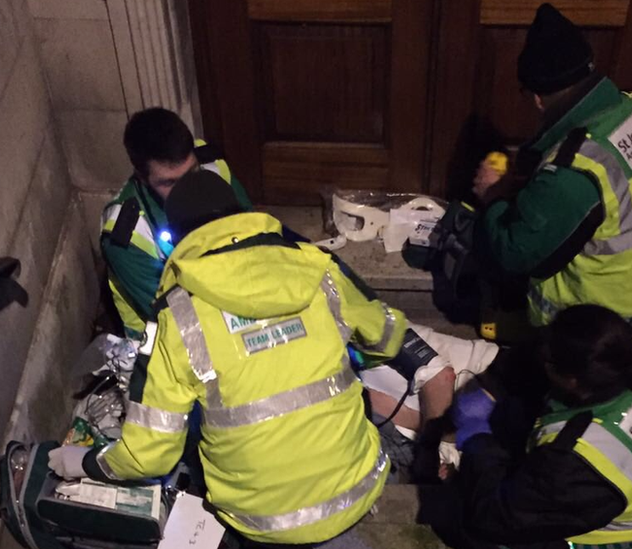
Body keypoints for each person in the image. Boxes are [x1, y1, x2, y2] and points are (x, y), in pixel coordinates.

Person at [49, 171, 407, 546]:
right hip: (358, 489)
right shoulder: (318, 270)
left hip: (262, 523)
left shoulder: (177, 315)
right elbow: (388, 335)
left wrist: (86, 462)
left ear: (181, 236)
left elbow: (150, 456)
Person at [472, 3, 632, 345]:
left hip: (608, 338)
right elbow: (609, 198)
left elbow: (515, 252)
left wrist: (493, 195)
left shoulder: (575, 171)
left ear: (538, 98)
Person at [450, 304, 632, 549]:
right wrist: (496, 382)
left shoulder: (578, 460)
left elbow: (496, 514)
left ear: (572, 381)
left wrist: (478, 440)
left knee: (471, 523)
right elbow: (541, 352)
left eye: (549, 363)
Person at [100, 108, 253, 338]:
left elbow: (254, 235)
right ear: (142, 178)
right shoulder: (128, 238)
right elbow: (176, 318)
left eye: (192, 171)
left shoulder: (212, 166)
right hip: (168, 334)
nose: (187, 189)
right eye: (170, 183)